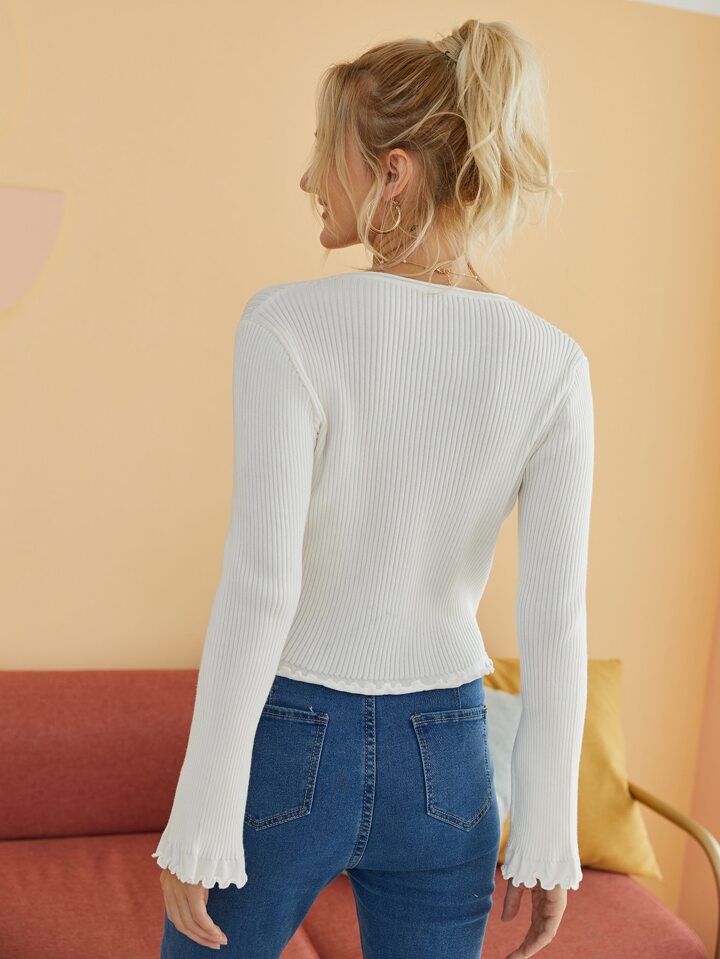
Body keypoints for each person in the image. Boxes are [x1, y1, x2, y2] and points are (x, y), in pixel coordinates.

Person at [153, 18, 594, 959]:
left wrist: (200, 813)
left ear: (393, 172)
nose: (307, 178)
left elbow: (261, 586)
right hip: (449, 754)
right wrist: (548, 835)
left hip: (289, 737)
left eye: (326, 148)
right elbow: (556, 618)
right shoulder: (553, 362)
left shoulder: (285, 326)